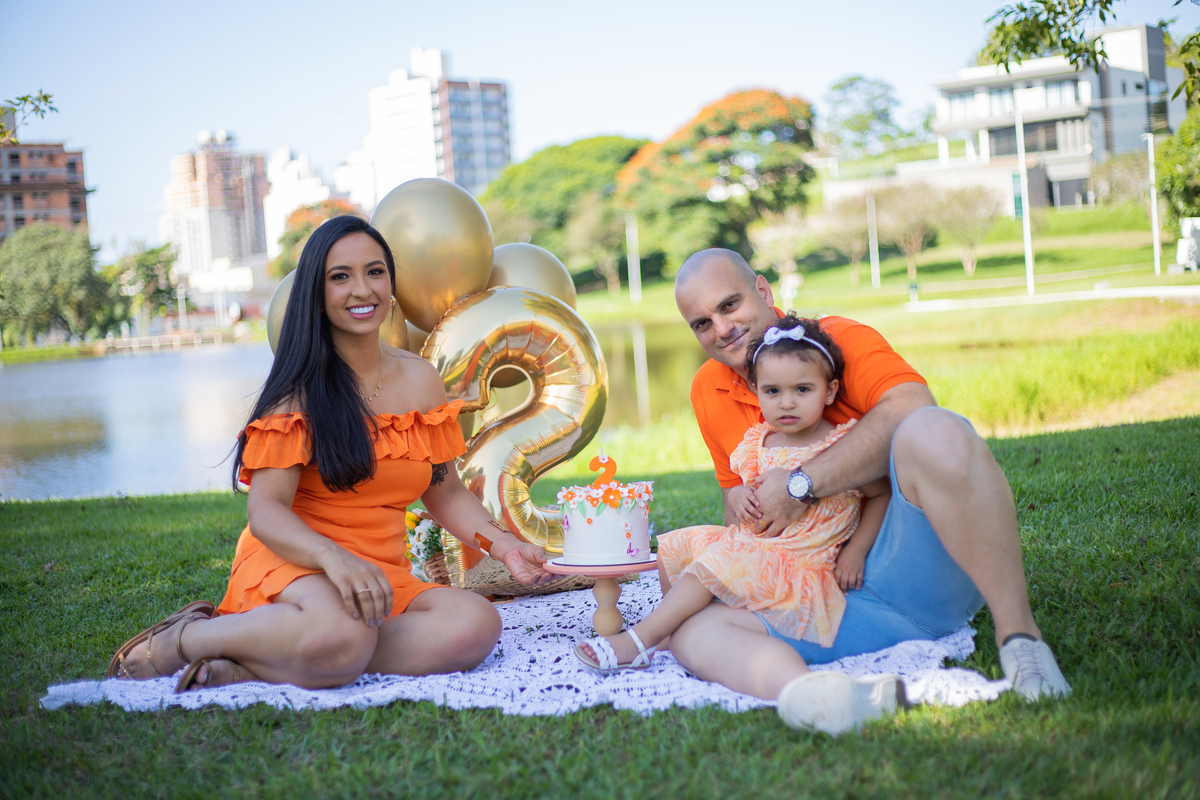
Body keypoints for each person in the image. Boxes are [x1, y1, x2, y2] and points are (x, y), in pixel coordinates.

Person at [108, 216, 551, 691]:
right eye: (340, 277)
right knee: (344, 633)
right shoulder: (296, 393)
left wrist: (503, 544)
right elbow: (266, 513)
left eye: (375, 272)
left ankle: (262, 664)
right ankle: (190, 637)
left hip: (378, 574)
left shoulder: (421, 379)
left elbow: (444, 492)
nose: (362, 290)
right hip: (298, 564)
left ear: (391, 282)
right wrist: (332, 558)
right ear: (316, 294)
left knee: (474, 624)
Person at [669, 248, 1071, 735]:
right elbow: (742, 512)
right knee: (692, 631)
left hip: (913, 566)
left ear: (763, 290)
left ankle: (1021, 641)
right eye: (701, 323)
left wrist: (801, 485)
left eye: (729, 305)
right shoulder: (706, 389)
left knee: (934, 429)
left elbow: (910, 406)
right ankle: (820, 697)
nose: (722, 328)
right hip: (829, 602)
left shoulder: (838, 340)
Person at [575, 315, 891, 683]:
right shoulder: (759, 442)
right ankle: (670, 625)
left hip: (800, 563)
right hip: (755, 549)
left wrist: (856, 551)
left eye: (802, 390)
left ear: (830, 391)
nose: (787, 403)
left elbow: (880, 493)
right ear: (757, 391)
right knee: (677, 545)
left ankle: (640, 639)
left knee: (722, 561)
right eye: (773, 392)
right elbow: (747, 489)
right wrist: (741, 495)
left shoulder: (839, 445)